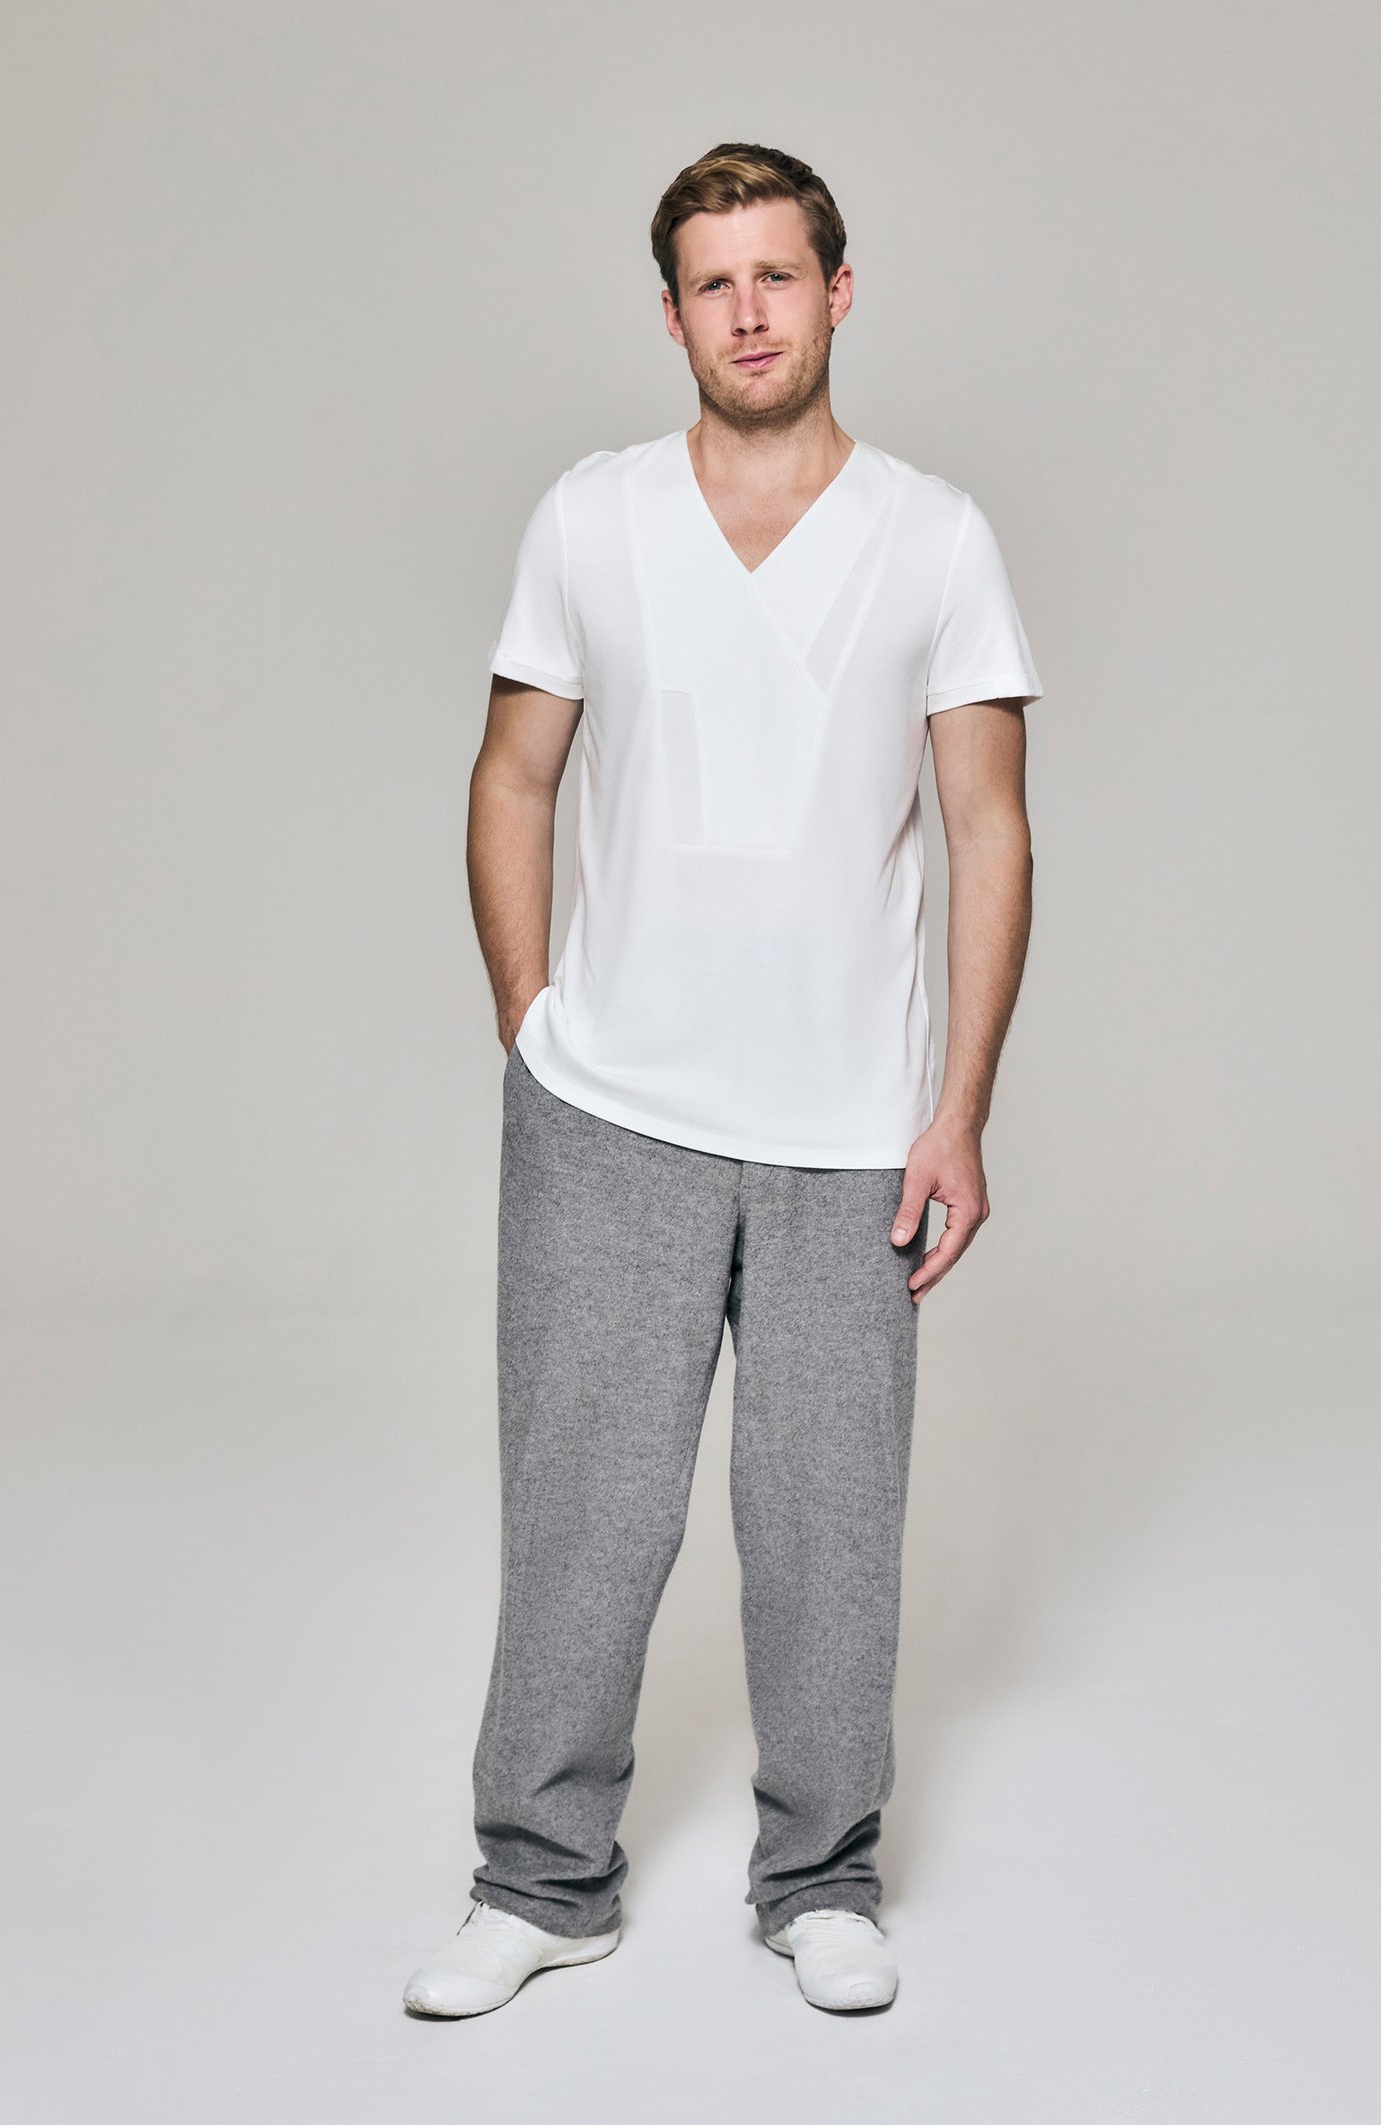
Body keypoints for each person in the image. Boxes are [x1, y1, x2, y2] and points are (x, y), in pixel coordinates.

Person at [403, 141, 1042, 2020]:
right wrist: (532, 1023)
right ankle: (540, 1880)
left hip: (853, 1128)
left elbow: (989, 831)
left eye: (778, 275)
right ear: (672, 312)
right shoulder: (592, 518)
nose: (748, 312)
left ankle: (820, 1877)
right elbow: (512, 772)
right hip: (612, 1113)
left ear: (838, 291)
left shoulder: (936, 538)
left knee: (828, 1526)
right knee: (581, 1512)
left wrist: (959, 1108)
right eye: (713, 282)